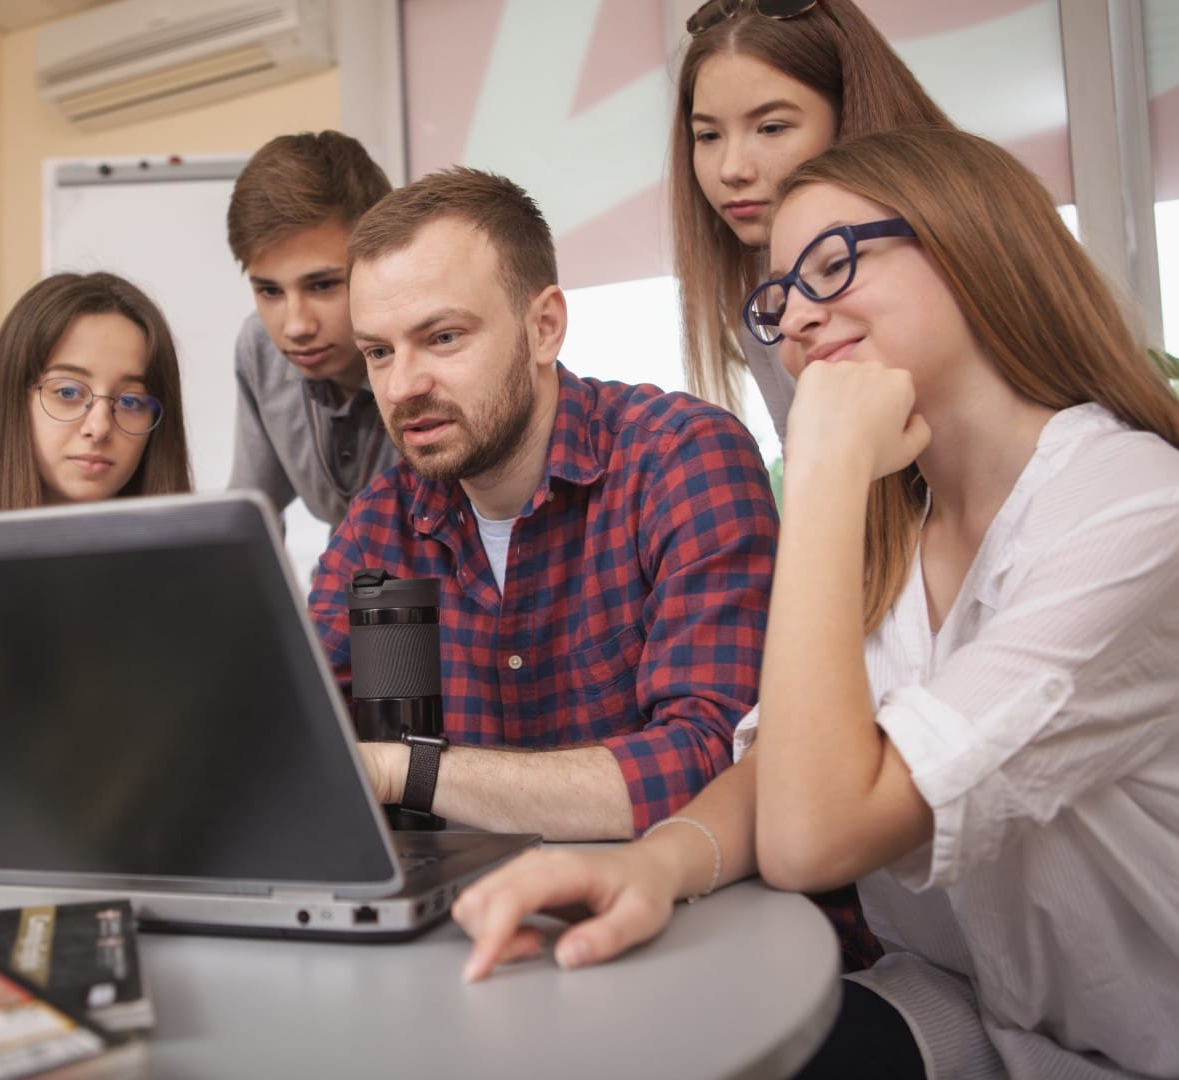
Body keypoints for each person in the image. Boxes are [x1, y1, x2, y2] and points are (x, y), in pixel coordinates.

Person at [453, 128, 1179, 1079]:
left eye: (831, 266)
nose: (793, 317)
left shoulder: (1132, 500)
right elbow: (775, 774)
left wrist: (826, 465)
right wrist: (652, 866)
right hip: (969, 1012)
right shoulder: (901, 528)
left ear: (975, 245)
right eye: (780, 292)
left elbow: (814, 835)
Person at [308, 166, 778, 843]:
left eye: (442, 337)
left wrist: (402, 770)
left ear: (545, 327)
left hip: (693, 920)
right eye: (378, 352)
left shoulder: (680, 460)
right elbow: (304, 737)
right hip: (474, 928)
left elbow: (715, 764)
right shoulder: (384, 527)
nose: (403, 385)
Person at [672, 0, 949, 438]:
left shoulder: (935, 266)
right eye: (708, 135)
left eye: (771, 128)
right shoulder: (765, 303)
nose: (731, 169)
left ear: (850, 113)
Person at [0, 271, 190, 516]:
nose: (99, 428)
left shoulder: (192, 565)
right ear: (13, 400)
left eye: (130, 401)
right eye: (67, 392)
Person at [225, 131, 400, 528]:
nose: (296, 326)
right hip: (346, 581)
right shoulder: (259, 348)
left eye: (322, 285)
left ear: (383, 260)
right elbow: (252, 516)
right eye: (269, 290)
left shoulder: (438, 353)